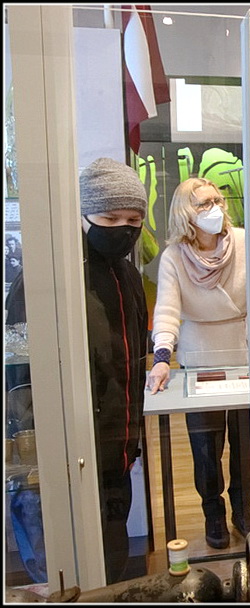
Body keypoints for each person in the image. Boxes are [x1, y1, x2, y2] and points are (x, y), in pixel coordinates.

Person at [5, 158, 151, 583]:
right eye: (110, 217)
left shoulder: (127, 276)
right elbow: (23, 381)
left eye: (133, 219)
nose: (123, 228)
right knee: (63, 575)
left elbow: (130, 367)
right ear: (84, 214)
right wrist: (39, 461)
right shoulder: (49, 277)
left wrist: (129, 441)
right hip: (64, 462)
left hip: (116, 455)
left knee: (110, 567)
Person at [145, 177, 250, 550]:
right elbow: (167, 311)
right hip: (197, 357)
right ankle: (213, 511)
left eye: (217, 200)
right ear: (186, 212)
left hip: (241, 352)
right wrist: (162, 359)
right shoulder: (174, 256)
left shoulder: (241, 241)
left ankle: (242, 507)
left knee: (245, 442)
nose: (215, 209)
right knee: (206, 444)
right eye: (204, 204)